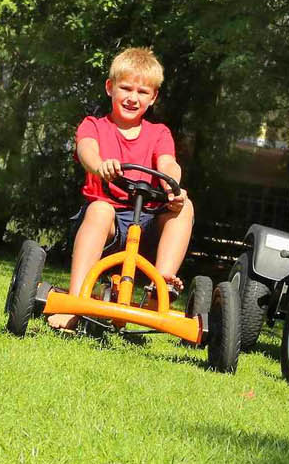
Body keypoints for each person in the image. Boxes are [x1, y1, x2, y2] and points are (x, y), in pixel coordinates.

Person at [50, 47, 194, 331]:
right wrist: (99, 165)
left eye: (142, 92)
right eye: (125, 88)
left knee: (184, 207)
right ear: (110, 88)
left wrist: (172, 185)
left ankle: (159, 288)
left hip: (148, 223)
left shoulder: (158, 133)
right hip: (108, 225)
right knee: (101, 209)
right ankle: (75, 302)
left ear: (153, 97)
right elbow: (86, 149)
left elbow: (168, 162)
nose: (132, 97)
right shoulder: (94, 126)